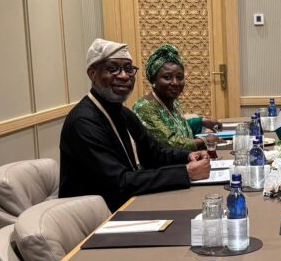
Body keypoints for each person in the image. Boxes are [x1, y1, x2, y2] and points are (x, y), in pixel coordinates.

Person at [59, 38, 211, 211]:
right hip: (97, 216)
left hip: (130, 201)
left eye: (128, 68)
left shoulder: (123, 113)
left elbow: (155, 153)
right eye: (113, 69)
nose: (124, 76)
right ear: (92, 74)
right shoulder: (84, 122)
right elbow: (119, 182)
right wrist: (185, 173)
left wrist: (187, 156)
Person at [133, 44, 221, 152]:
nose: (175, 83)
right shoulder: (144, 107)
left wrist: (202, 122)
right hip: (163, 162)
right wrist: (205, 140)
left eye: (180, 77)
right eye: (167, 77)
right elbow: (170, 143)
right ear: (153, 80)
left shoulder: (172, 101)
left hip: (184, 158)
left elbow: (179, 129)